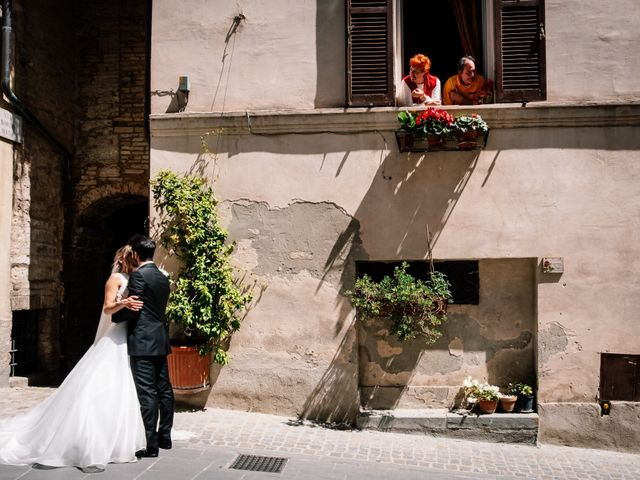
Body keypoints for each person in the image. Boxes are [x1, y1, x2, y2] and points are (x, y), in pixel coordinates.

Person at [0, 246, 146, 472]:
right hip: (114, 336)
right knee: (102, 383)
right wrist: (123, 303)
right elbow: (107, 309)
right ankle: (88, 439)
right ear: (126, 258)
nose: (134, 260)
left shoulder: (135, 277)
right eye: (132, 257)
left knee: (121, 386)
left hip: (128, 335)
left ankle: (115, 438)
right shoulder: (115, 279)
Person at [113, 234, 173, 459]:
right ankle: (165, 436)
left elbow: (134, 307)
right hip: (160, 338)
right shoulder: (162, 277)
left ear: (136, 255)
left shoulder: (139, 276)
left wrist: (115, 318)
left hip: (143, 341)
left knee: (147, 391)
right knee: (164, 388)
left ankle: (151, 444)